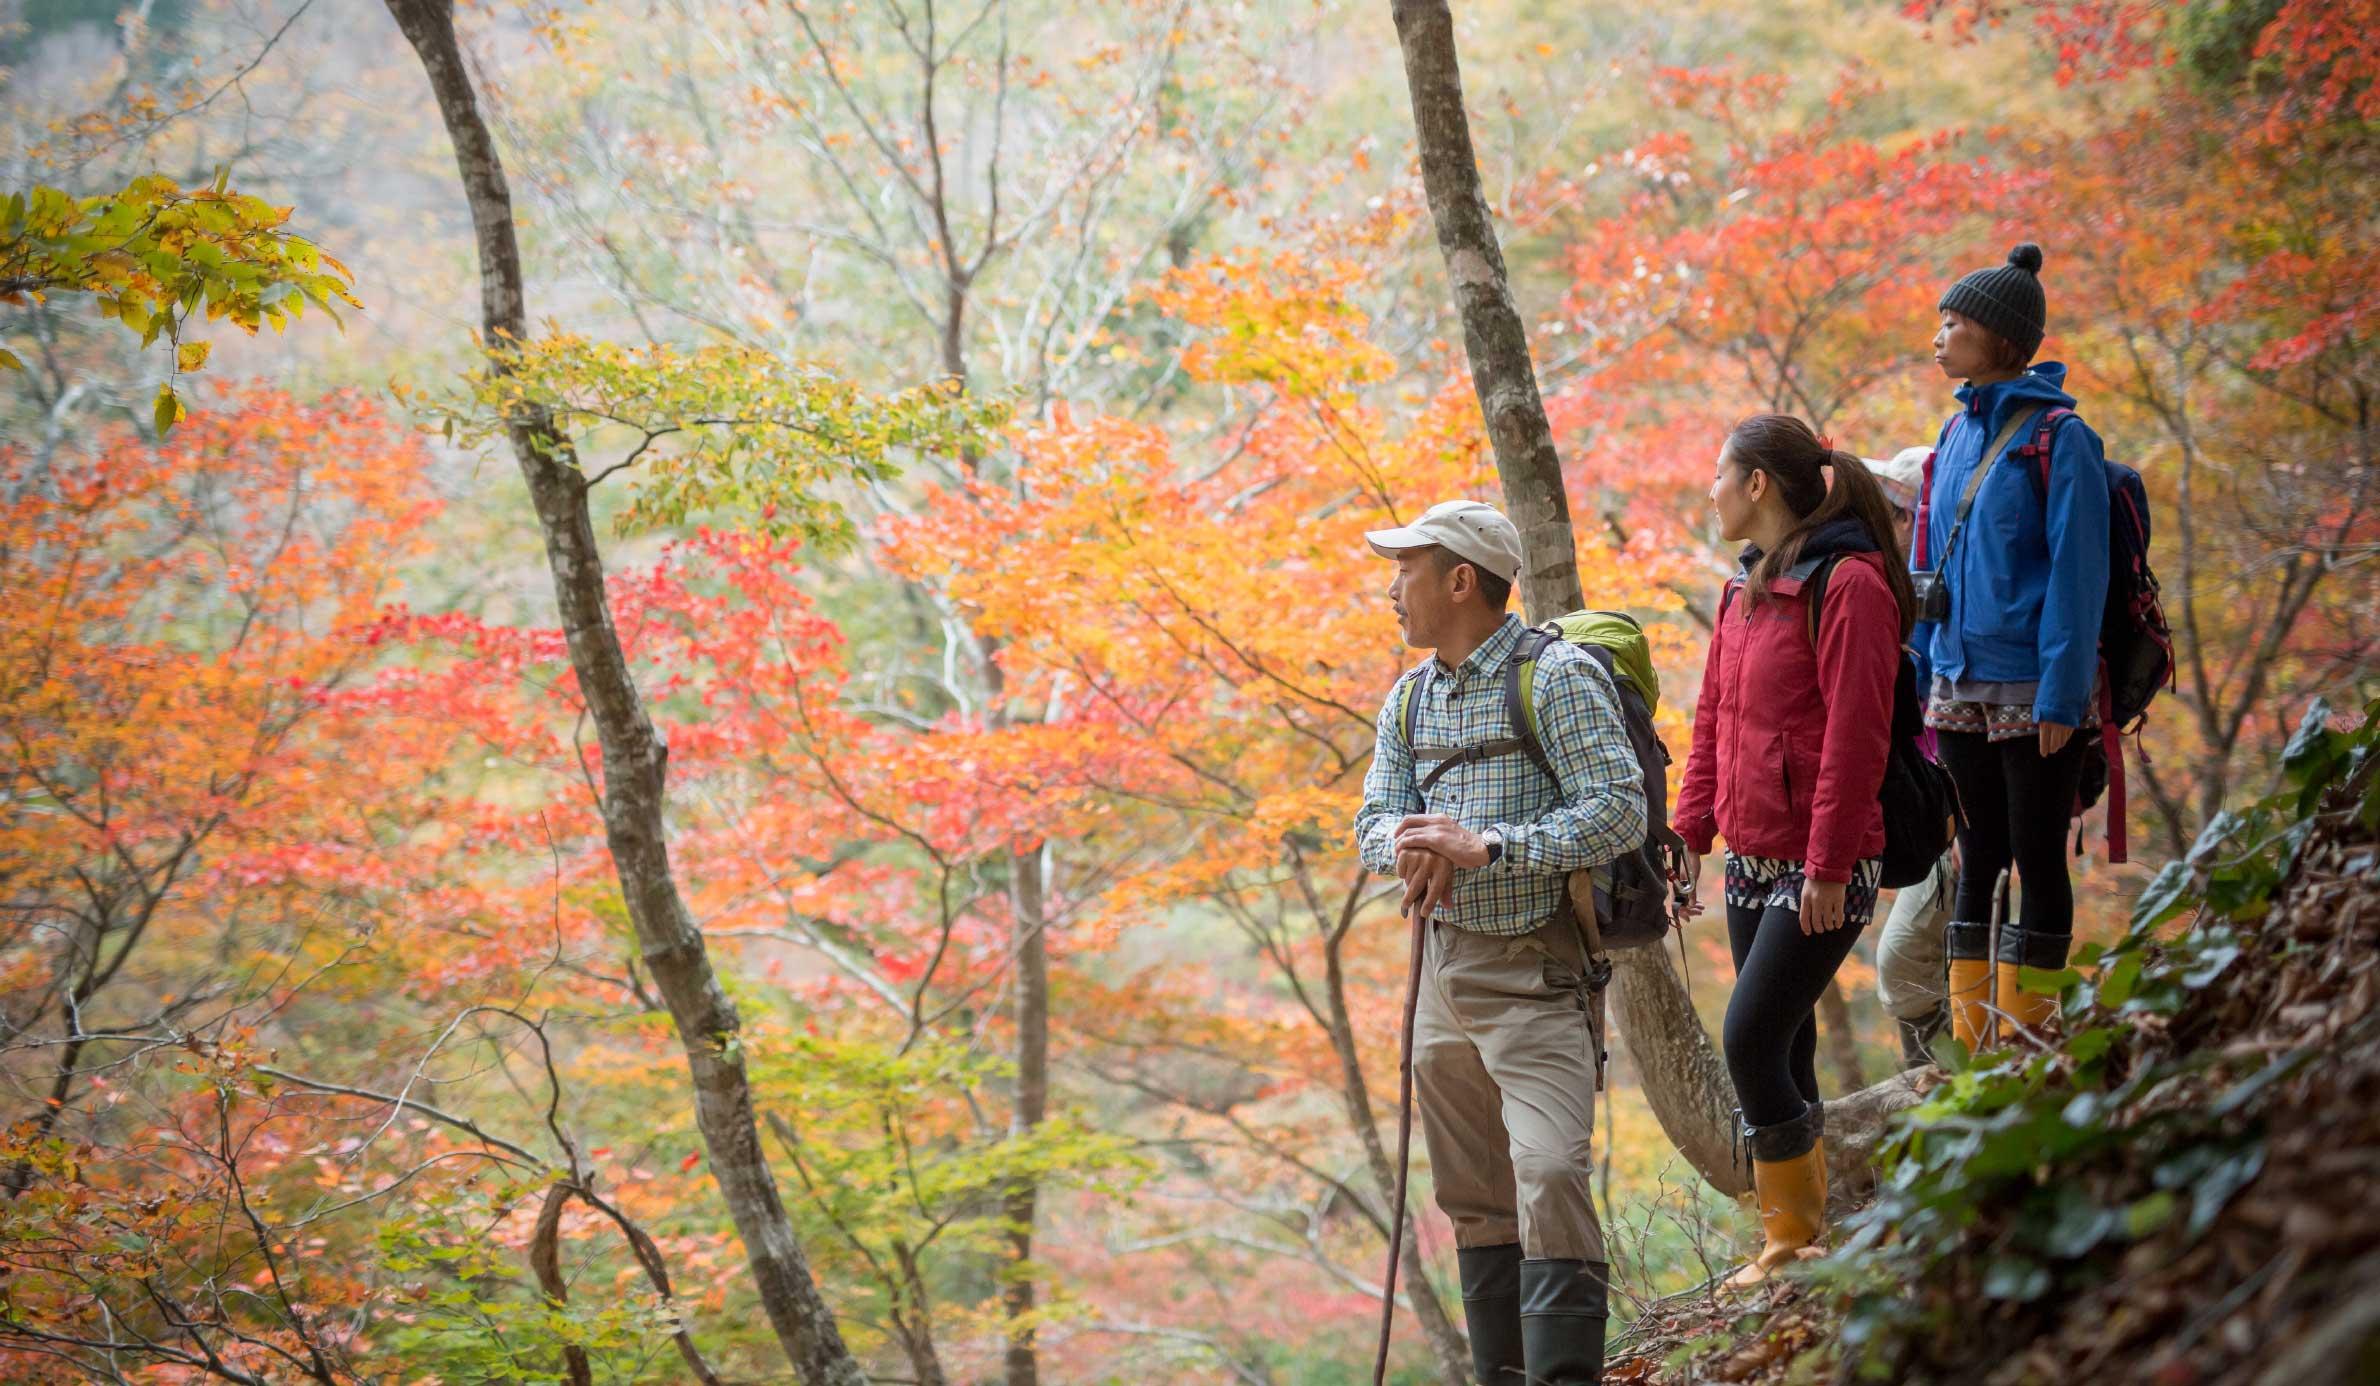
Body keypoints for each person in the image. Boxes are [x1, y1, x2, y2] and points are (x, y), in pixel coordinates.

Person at [1353, 499, 1647, 1386]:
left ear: (1459, 580)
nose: (1391, 590)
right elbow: (1371, 821)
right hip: (1441, 970)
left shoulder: (1555, 678)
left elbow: (1619, 809)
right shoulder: (1409, 697)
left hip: (1538, 967)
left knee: (1549, 1171)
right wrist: (1411, 842)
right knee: (1475, 1200)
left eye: (1404, 571)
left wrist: (1488, 846)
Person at [1672, 415, 1911, 1288]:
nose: (1712, 492)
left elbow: (1857, 739)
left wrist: (1829, 866)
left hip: (1824, 862)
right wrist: (1689, 833)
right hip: (1753, 856)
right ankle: (1808, 1239)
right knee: (1787, 1044)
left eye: (1720, 474)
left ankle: (1785, 1243)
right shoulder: (1743, 589)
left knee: (1749, 1039)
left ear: (1758, 484)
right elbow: (1714, 721)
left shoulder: (1851, 585)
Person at [1917, 244, 2110, 1051]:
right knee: (1978, 854)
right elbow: (1928, 559)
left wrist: (2065, 693)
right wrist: (1924, 669)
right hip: (1957, 681)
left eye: (1954, 323)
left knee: (2037, 856)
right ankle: (1973, 1047)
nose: (1939, 337)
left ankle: (2029, 1040)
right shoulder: (1953, 432)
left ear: (1999, 338)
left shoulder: (2063, 438)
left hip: (2035, 687)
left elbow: (2079, 573)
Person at [1866, 446, 1958, 1067]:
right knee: (1931, 962)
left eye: (1891, 510)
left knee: (1901, 963)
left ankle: (1945, 1088)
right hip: (1930, 807)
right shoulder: (1896, 589)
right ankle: (1950, 1087)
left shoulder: (1934, 593)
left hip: (1955, 808)